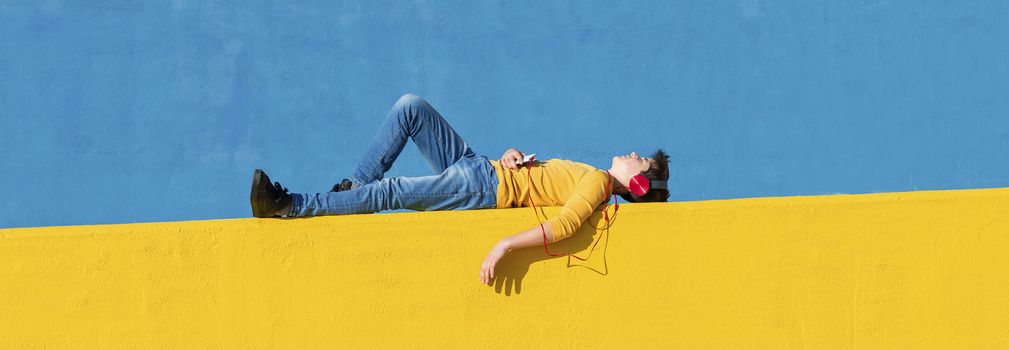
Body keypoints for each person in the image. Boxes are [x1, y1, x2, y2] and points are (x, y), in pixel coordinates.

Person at [249, 93, 670, 284]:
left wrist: (503, 245)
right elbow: (542, 185)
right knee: (410, 108)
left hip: (483, 187)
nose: (633, 152)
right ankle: (352, 188)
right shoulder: (591, 175)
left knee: (390, 191)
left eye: (641, 161)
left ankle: (288, 206)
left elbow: (562, 226)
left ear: (637, 182)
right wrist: (512, 156)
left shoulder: (597, 183)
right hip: (481, 166)